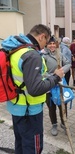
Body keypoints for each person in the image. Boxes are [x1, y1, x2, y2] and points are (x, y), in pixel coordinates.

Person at [1, 24, 64, 154]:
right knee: (32, 148)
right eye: (46, 41)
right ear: (42, 37)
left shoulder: (16, 49)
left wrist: (47, 77)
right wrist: (56, 78)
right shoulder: (32, 55)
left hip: (16, 106)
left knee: (20, 143)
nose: (46, 45)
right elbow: (35, 89)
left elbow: (23, 77)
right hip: (29, 111)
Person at [42, 36, 71, 136]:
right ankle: (54, 124)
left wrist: (61, 71)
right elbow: (41, 72)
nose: (52, 45)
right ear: (46, 45)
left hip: (60, 84)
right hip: (48, 85)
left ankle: (64, 123)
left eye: (54, 43)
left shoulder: (60, 54)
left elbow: (68, 64)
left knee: (63, 105)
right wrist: (53, 76)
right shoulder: (43, 56)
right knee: (51, 106)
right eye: (50, 44)